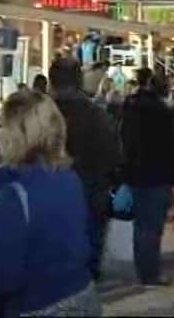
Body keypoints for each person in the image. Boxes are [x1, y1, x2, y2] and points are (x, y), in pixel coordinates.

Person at [0, 91, 100, 316]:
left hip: (35, 306)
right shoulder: (69, 177)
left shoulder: (13, 195)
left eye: (1, 125)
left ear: (19, 135)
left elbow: (1, 278)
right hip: (82, 298)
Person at [49, 59, 120, 281]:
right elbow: (112, 153)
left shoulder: (41, 113)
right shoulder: (95, 113)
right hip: (91, 187)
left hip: (51, 190)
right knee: (89, 242)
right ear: (78, 80)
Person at [121, 68, 174, 287]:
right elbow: (173, 148)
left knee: (140, 225)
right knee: (152, 227)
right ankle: (150, 273)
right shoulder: (163, 113)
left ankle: (143, 268)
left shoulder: (129, 107)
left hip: (134, 173)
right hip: (157, 175)